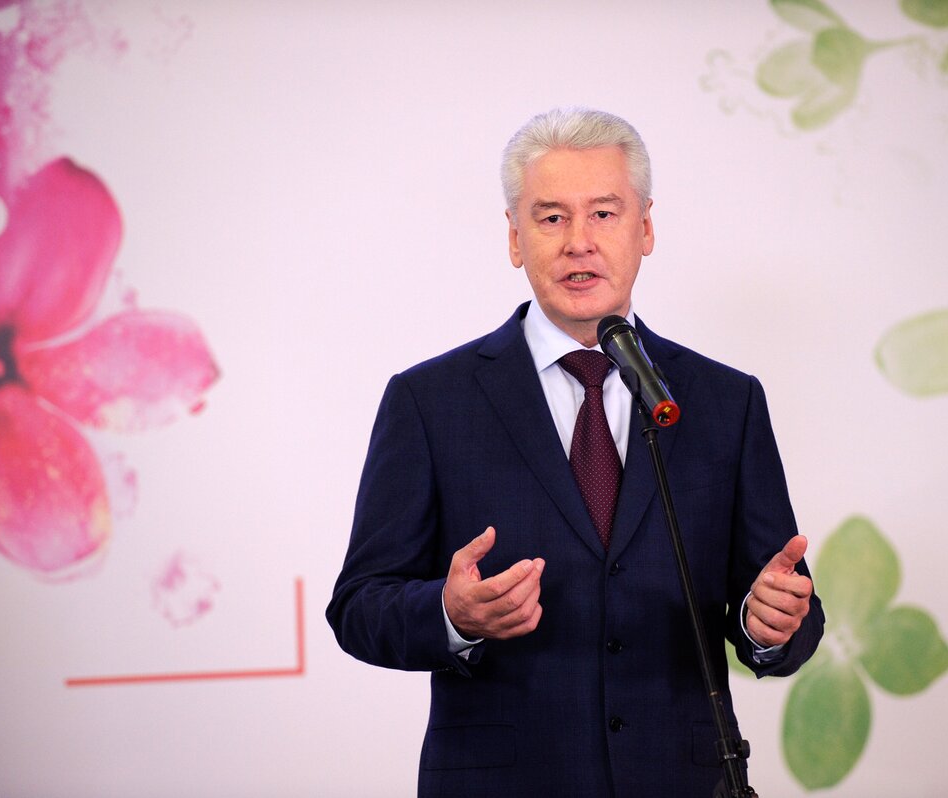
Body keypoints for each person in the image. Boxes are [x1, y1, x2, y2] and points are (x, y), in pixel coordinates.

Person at [327, 107, 824, 798]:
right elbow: (359, 607)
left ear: (645, 228)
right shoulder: (430, 401)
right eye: (552, 217)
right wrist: (450, 613)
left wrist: (767, 622)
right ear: (515, 237)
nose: (578, 243)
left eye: (604, 214)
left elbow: (781, 605)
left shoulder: (724, 401)